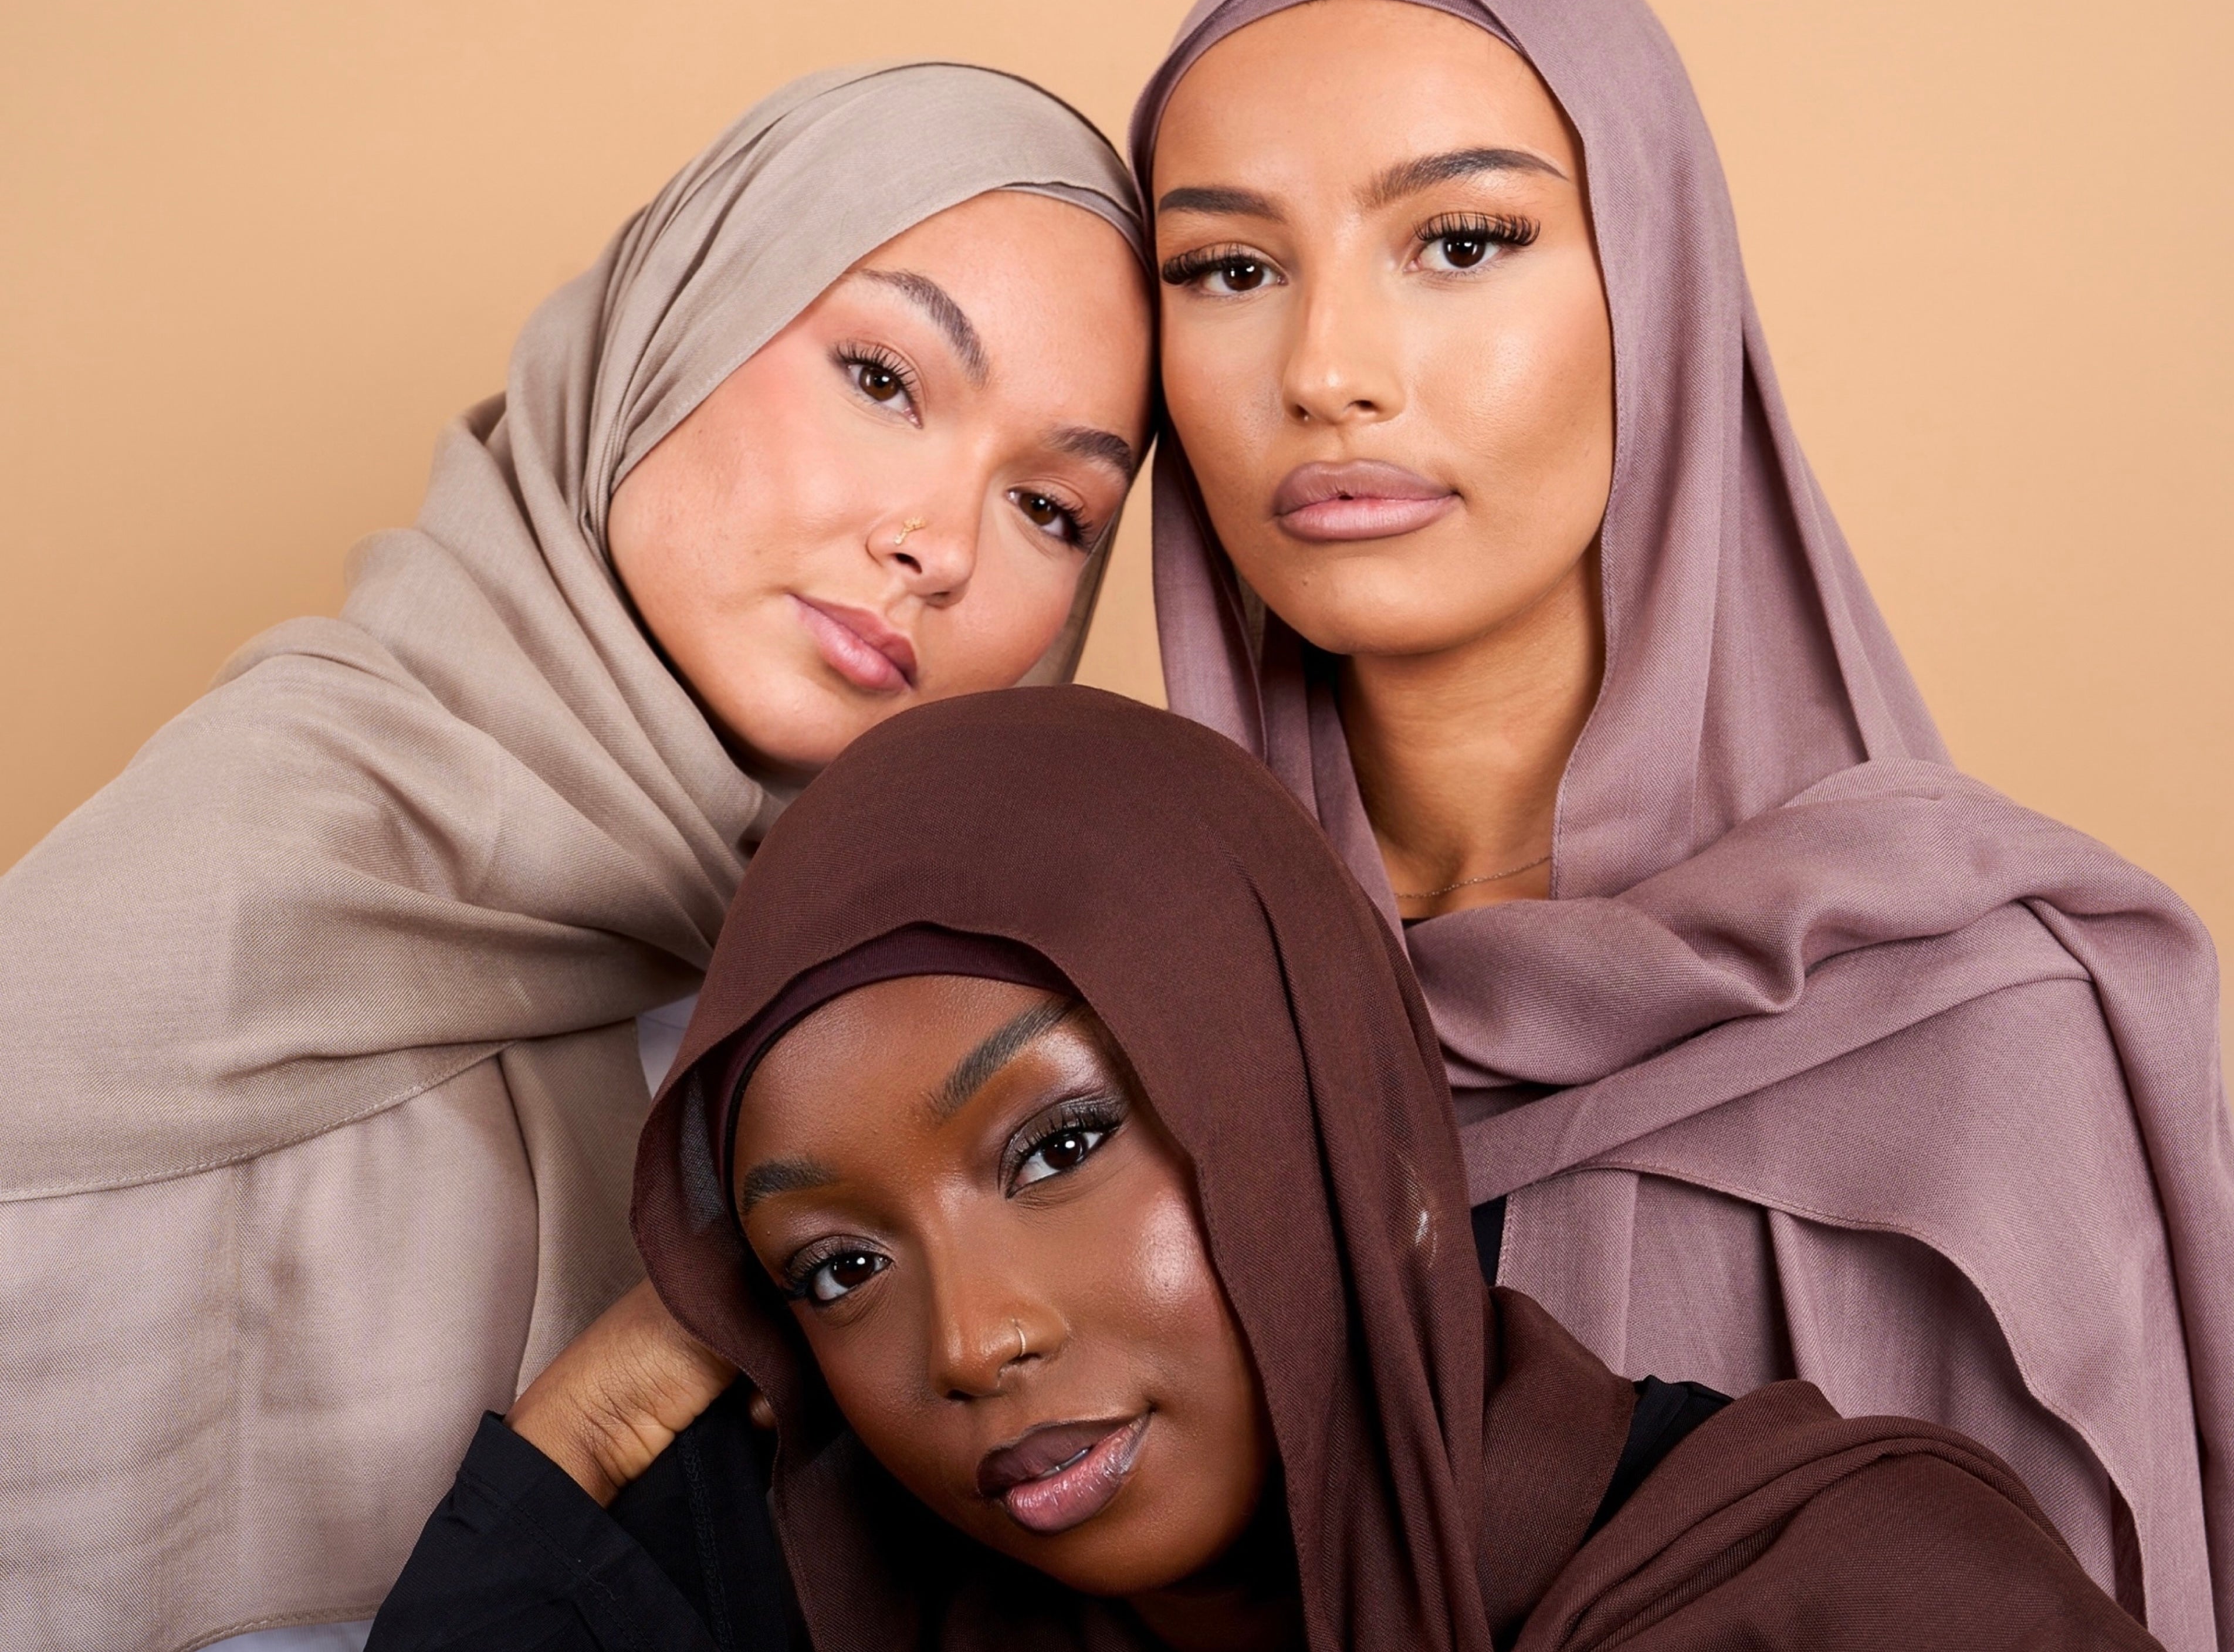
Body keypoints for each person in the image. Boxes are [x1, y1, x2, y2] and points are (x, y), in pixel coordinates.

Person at [1130, 0, 2233, 1643]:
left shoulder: (1985, 1041)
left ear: (1657, 281)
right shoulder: (1107, 1025)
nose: (1327, 370)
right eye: (1229, 268)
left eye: (1463, 240)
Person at [0, 63, 1150, 1652]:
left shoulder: (938, 1030)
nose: (939, 546)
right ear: (671, 325)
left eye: (1050, 505)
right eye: (884, 378)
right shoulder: (210, 905)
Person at [370, 685, 2154, 1650]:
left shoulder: (1838, 1599)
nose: (971, 1344)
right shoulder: (855, 1582)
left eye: (1059, 1146)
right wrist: (603, 1420)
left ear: (1331, 1116)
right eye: (839, 1268)